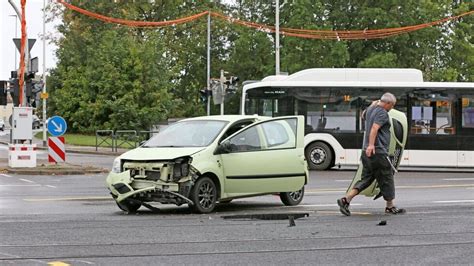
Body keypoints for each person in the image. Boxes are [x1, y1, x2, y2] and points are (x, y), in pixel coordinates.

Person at [337, 92, 405, 216]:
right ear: (388, 103)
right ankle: (390, 206)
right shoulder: (382, 113)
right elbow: (374, 128)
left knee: (367, 178)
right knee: (387, 177)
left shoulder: (371, 109)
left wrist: (372, 105)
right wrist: (371, 145)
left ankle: (345, 200)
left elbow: (363, 116)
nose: (392, 108)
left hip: (366, 152)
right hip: (377, 151)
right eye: (392, 105)